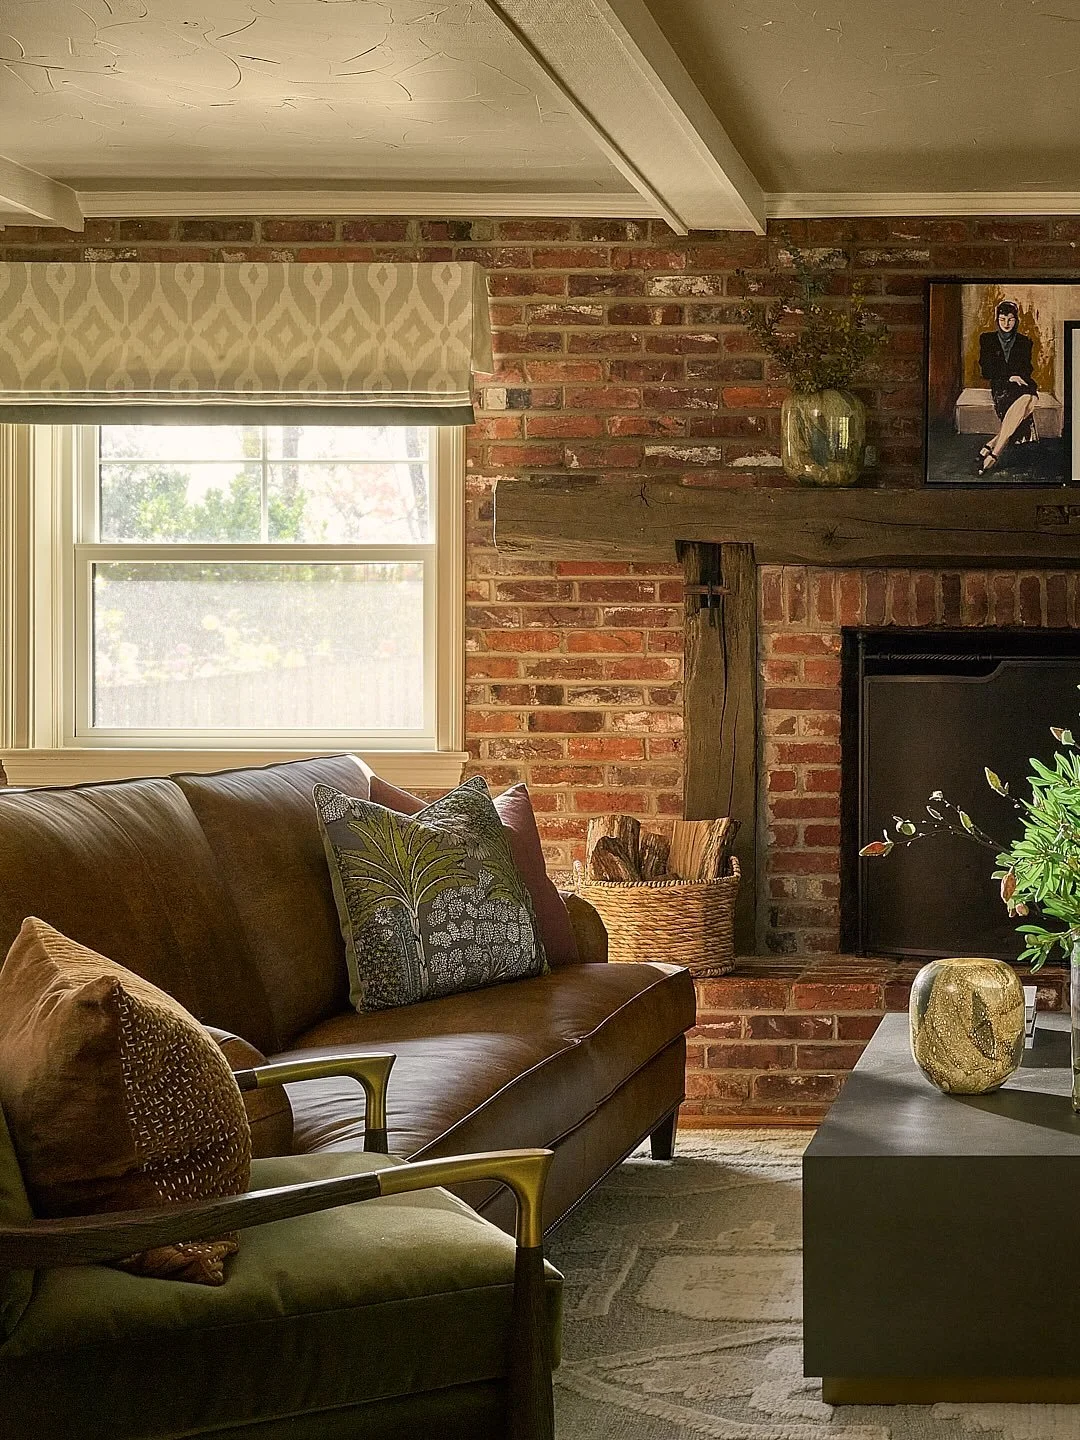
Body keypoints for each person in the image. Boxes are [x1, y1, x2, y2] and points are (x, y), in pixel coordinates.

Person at [975, 299, 1038, 475]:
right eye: (1003, 319)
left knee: (1030, 397)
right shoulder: (987, 339)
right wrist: (1010, 375)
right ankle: (995, 451)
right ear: (997, 320)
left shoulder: (1025, 341)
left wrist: (1018, 375)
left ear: (1015, 320)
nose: (1006, 323)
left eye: (1010, 319)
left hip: (1021, 383)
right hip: (1001, 385)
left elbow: (1027, 368)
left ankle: (994, 446)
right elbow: (987, 369)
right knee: (1028, 400)